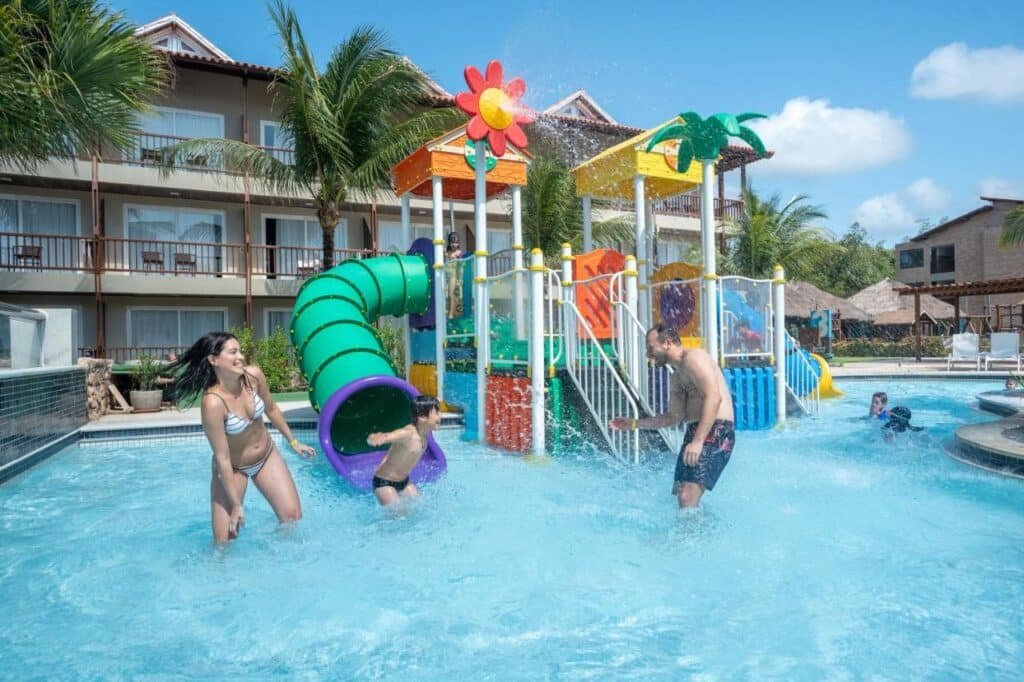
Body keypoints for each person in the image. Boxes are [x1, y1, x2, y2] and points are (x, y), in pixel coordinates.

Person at [167, 332, 316, 543]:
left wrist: (293, 441)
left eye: (240, 351)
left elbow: (271, 409)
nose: (241, 357)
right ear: (213, 359)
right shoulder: (213, 403)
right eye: (233, 352)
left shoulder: (253, 377)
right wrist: (237, 505)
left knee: (292, 517)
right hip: (233, 467)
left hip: (266, 457)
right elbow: (223, 458)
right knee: (225, 539)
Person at [609, 325, 735, 508]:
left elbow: (714, 398)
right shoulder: (676, 377)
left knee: (686, 497)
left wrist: (698, 441)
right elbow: (673, 418)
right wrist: (634, 423)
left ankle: (692, 536)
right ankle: (695, 533)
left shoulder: (694, 358)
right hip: (696, 431)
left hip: (716, 429)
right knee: (679, 496)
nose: (648, 354)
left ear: (667, 343)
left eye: (650, 348)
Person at [366, 395, 442, 506]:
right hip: (384, 483)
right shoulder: (408, 433)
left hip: (404, 482)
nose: (441, 416)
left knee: (421, 506)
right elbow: (390, 435)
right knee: (399, 515)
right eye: (436, 413)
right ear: (422, 417)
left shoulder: (425, 433)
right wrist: (377, 438)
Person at [445, 232, 464, 318]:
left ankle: (451, 314)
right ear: (449, 242)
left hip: (453, 275)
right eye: (452, 243)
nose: (454, 244)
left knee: (451, 294)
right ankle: (449, 311)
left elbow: (454, 256)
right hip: (445, 273)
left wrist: (460, 280)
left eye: (456, 243)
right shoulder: (447, 250)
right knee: (444, 294)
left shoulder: (458, 252)